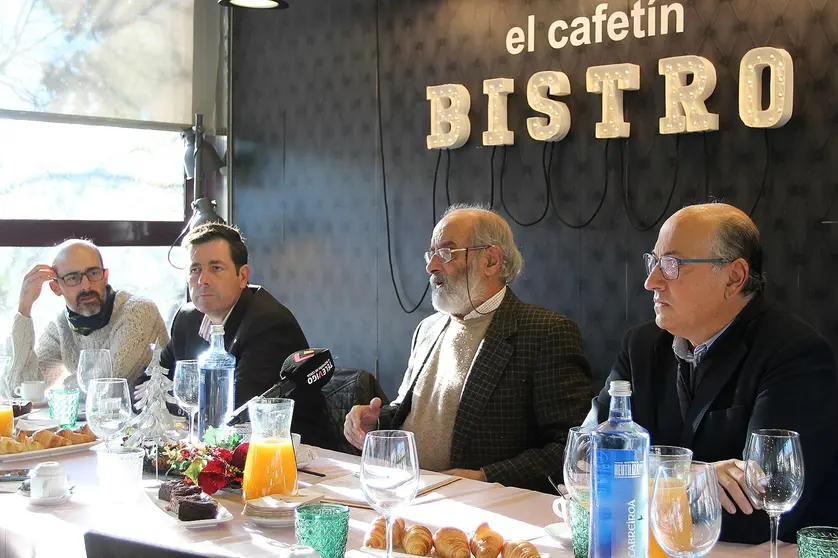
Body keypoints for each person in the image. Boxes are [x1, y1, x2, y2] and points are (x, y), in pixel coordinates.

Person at [588, 203, 838, 543]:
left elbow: (762, 509)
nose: (651, 281)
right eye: (654, 262)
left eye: (672, 265)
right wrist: (690, 476)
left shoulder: (794, 353)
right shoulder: (641, 345)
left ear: (733, 277)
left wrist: (632, 481)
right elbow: (587, 460)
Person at [344, 205, 592, 493]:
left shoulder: (545, 332)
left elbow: (573, 449)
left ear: (491, 260)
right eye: (431, 254)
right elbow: (410, 413)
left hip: (484, 507)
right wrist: (376, 423)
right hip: (408, 492)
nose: (431, 266)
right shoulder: (427, 329)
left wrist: (485, 477)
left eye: (446, 252)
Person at [157, 223, 332, 447]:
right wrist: (182, 405)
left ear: (242, 276)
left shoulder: (269, 324)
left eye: (216, 268)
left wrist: (182, 403)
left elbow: (232, 412)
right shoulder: (186, 318)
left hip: (295, 455)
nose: (203, 280)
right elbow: (154, 386)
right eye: (195, 269)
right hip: (218, 448)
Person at [2, 239, 169, 398]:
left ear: (105, 276)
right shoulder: (61, 326)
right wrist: (24, 309)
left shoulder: (138, 311)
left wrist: (66, 387)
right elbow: (20, 389)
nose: (86, 286)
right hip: (97, 419)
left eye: (93, 273)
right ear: (55, 288)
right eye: (73, 278)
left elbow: (106, 388)